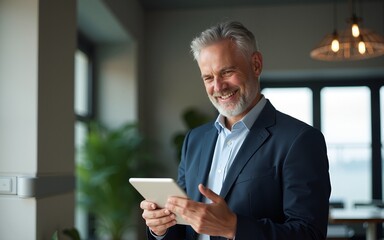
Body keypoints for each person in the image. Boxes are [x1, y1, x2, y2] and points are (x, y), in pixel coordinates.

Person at [140, 20, 331, 240]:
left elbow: (309, 234)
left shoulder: (300, 140)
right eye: (209, 78)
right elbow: (185, 228)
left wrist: (233, 228)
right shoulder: (195, 140)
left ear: (256, 64)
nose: (218, 87)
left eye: (227, 72)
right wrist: (161, 227)